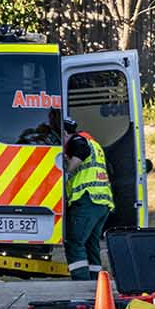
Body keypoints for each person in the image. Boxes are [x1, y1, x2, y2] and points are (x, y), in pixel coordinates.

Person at [63, 118, 113, 282]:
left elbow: (81, 151)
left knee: (74, 243)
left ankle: (81, 283)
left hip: (87, 200)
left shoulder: (78, 140)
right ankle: (96, 283)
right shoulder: (95, 144)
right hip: (102, 202)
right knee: (91, 245)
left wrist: (67, 170)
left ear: (64, 133)